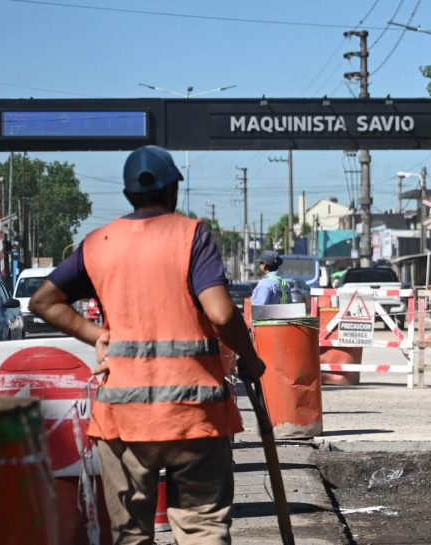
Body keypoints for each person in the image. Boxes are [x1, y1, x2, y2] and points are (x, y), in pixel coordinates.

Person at [29, 145, 266, 545]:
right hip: (194, 418)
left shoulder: (98, 242)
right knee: (202, 529)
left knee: (131, 535)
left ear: (127, 194)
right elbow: (222, 315)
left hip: (124, 419)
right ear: (173, 189)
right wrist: (251, 358)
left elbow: (43, 301)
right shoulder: (192, 236)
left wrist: (96, 335)